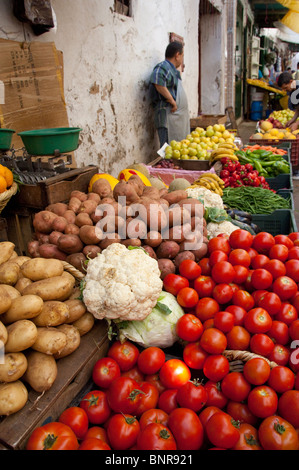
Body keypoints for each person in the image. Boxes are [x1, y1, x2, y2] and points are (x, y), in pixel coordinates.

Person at [150, 41, 190, 147]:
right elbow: (157, 80)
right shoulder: (164, 66)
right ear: (177, 55)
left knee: (174, 152)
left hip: (174, 119)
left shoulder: (173, 71)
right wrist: (172, 101)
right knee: (166, 151)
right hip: (167, 118)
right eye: (182, 56)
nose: (182, 60)